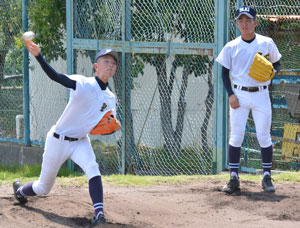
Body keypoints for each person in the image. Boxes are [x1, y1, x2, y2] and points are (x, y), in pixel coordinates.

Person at [13, 39, 121, 226]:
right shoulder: (82, 83)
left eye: (113, 63)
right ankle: (20, 192)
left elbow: (102, 127)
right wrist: (39, 56)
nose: (110, 65)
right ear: (96, 66)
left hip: (80, 141)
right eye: (106, 61)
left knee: (93, 168)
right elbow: (55, 76)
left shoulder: (111, 98)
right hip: (58, 140)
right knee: (44, 187)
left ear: (115, 70)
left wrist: (113, 126)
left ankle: (99, 215)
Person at [216, 6, 281, 193]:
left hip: (261, 93)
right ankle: (234, 178)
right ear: (237, 23)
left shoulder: (266, 42)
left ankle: (267, 176)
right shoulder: (231, 46)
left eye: (248, 20)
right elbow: (224, 73)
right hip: (240, 94)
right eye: (241, 21)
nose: (244, 24)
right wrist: (231, 95)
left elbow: (277, 63)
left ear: (255, 22)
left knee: (263, 136)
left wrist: (272, 72)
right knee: (236, 136)